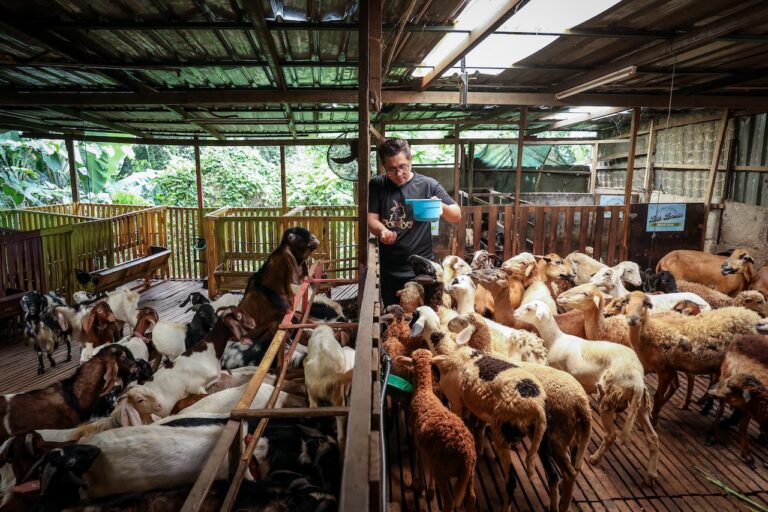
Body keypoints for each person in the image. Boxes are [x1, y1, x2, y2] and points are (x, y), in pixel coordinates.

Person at [367, 138, 461, 306]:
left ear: (410, 159)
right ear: (383, 165)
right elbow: (372, 220)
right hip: (390, 268)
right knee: (394, 315)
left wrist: (441, 206)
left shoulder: (428, 185)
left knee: (424, 316)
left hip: (423, 268)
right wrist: (383, 231)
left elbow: (456, 214)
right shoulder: (377, 184)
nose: (399, 173)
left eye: (403, 166)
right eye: (391, 169)